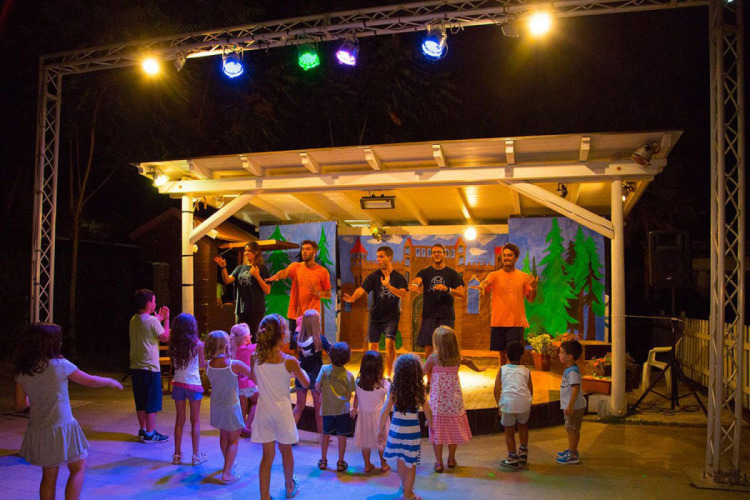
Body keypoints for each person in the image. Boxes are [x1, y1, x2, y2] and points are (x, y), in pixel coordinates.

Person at [14, 323, 123, 500]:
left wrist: (35, 399)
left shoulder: (23, 371)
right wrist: (110, 382)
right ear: (51, 343)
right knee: (78, 468)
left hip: (40, 428)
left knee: (48, 476)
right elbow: (89, 381)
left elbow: (20, 404)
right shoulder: (61, 365)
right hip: (63, 426)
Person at [250, 314, 310, 500]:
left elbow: (254, 379)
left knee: (267, 456)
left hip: (264, 412)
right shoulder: (289, 361)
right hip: (282, 413)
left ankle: (264, 496)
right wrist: (299, 370)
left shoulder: (254, 358)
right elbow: (306, 382)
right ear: (282, 334)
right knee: (286, 452)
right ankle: (289, 486)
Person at [423, 326, 482, 472]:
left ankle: (438, 462)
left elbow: (422, 372)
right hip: (454, 403)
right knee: (453, 431)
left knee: (437, 433)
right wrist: (478, 369)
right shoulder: (457, 358)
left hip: (438, 404)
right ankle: (451, 459)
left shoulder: (433, 358)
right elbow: (469, 362)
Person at [343, 245, 408, 378]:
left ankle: (388, 375)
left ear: (389, 258)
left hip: (391, 317)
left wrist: (388, 286)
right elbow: (362, 289)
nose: (378, 259)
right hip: (375, 317)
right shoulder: (374, 276)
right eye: (377, 257)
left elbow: (403, 294)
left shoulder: (399, 278)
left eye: (381, 257)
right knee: (372, 347)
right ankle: (375, 375)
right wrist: (353, 297)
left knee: (390, 344)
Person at [470, 243, 538, 365]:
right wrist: (482, 285)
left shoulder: (523, 277)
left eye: (509, 255)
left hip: (516, 322)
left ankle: (513, 376)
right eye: (504, 255)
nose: (506, 258)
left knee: (514, 355)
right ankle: (503, 374)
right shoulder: (494, 275)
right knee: (501, 353)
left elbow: (531, 299)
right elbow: (486, 282)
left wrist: (534, 288)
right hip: (498, 321)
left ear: (516, 258)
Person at [380, 354, 431, 500]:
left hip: (396, 429)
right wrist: (430, 422)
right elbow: (427, 408)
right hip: (411, 431)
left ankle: (405, 485)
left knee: (400, 459)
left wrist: (380, 428)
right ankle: (408, 494)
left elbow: (385, 408)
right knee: (411, 463)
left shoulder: (394, 389)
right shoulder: (418, 389)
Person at [204, 330, 252, 484]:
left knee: (223, 435)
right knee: (234, 440)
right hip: (231, 407)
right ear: (226, 345)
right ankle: (226, 473)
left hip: (216, 406)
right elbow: (253, 375)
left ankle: (228, 462)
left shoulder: (208, 365)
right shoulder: (234, 364)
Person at [408, 243, 464, 359]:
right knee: (429, 348)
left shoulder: (452, 273)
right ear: (431, 255)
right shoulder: (425, 272)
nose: (436, 254)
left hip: (446, 316)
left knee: (445, 349)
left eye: (439, 252)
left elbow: (461, 293)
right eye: (434, 252)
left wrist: (447, 289)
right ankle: (429, 372)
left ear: (445, 255)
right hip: (429, 316)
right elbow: (418, 280)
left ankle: (444, 371)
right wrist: (415, 285)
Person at [129, 288, 170, 443]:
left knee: (140, 401)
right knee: (152, 401)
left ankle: (143, 430)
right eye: (154, 301)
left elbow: (149, 324)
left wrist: (159, 317)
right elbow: (165, 337)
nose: (155, 303)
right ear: (148, 304)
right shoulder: (152, 321)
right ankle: (151, 433)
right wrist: (166, 320)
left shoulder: (134, 319)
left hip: (136, 366)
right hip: (150, 367)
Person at [266, 239, 331, 333]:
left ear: (315, 251)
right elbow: (285, 272)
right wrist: (277, 276)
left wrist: (318, 293)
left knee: (310, 341)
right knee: (295, 341)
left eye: (308, 249)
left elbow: (328, 294)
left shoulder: (322, 271)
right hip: (295, 315)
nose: (304, 251)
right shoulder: (296, 266)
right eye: (303, 249)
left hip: (311, 316)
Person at [168, 313, 207, 465]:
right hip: (194, 384)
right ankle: (196, 456)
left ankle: (177, 455)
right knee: (195, 421)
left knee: (180, 419)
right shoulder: (198, 345)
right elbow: (202, 365)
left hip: (178, 383)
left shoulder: (174, 345)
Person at [215, 241, 271, 342]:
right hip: (241, 309)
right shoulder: (239, 268)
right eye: (245, 251)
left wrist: (257, 276)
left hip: (256, 309)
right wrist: (223, 267)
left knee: (253, 337)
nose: (246, 253)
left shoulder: (261, 268)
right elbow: (227, 280)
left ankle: (253, 352)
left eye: (249, 251)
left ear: (256, 252)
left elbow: (267, 290)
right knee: (239, 337)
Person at [290, 309, 331, 437]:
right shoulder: (320, 339)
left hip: (301, 373)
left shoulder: (297, 337)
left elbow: (297, 330)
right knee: (318, 407)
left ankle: (289, 434)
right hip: (316, 375)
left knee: (299, 406)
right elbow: (332, 351)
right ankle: (321, 436)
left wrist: (298, 325)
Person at [316, 342, 356, 472]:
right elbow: (349, 395)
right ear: (347, 358)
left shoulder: (324, 369)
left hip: (327, 409)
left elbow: (317, 386)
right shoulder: (349, 375)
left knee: (325, 435)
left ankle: (323, 460)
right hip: (342, 411)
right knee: (342, 436)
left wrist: (322, 392)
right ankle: (340, 462)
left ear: (330, 355)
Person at [493, 340, 533, 469]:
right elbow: (530, 389)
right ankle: (523, 452)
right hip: (524, 403)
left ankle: (512, 457)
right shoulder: (526, 370)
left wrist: (499, 404)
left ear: (506, 355)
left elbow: (496, 389)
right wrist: (528, 403)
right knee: (523, 426)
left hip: (508, 403)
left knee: (509, 432)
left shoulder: (502, 369)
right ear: (522, 355)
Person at [352, 350, 391, 474]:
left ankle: (367, 465)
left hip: (363, 417)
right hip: (379, 417)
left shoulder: (358, 383)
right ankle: (384, 465)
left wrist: (355, 408)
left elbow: (356, 397)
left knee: (365, 442)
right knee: (381, 442)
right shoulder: (383, 384)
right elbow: (390, 399)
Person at [556, 340, 587, 465]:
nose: (559, 355)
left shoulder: (573, 371)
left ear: (569, 356)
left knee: (572, 429)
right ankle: (571, 449)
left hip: (574, 406)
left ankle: (572, 454)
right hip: (572, 405)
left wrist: (570, 405)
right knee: (571, 428)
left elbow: (575, 388)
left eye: (561, 353)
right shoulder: (570, 369)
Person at [229, 323, 258, 437]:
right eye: (250, 336)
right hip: (248, 382)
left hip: (237, 383)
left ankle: (241, 427)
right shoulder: (250, 348)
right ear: (246, 338)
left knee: (243, 405)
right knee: (258, 401)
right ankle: (247, 425)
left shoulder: (232, 351)